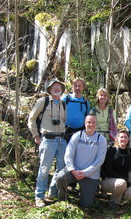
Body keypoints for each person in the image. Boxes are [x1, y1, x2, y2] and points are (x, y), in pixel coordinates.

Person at [28, 78, 67, 207]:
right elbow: (32, 118)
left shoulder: (63, 104)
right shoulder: (43, 102)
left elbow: (64, 121)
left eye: (59, 87)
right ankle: (39, 196)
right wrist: (36, 135)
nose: (56, 89)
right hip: (48, 139)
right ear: (50, 89)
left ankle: (53, 192)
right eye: (54, 87)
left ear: (61, 90)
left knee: (61, 169)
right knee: (44, 169)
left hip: (61, 139)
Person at [55, 115, 107, 208]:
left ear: (96, 124)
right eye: (88, 122)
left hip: (91, 175)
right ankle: (62, 200)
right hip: (74, 171)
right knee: (60, 177)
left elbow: (100, 160)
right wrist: (73, 170)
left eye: (93, 122)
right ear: (84, 123)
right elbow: (68, 155)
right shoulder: (77, 135)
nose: (91, 125)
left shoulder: (101, 139)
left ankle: (85, 193)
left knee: (86, 205)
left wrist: (85, 173)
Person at [101, 130, 131, 208]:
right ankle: (114, 203)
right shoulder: (112, 150)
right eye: (121, 137)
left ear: (128, 139)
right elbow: (109, 170)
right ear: (117, 138)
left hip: (122, 183)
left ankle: (114, 198)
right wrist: (124, 179)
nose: (123, 139)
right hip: (108, 181)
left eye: (125, 137)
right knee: (121, 183)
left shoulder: (129, 152)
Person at [62, 78, 90, 142]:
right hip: (66, 131)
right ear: (72, 87)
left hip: (80, 132)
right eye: (75, 86)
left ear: (83, 87)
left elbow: (87, 117)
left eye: (79, 86)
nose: (77, 88)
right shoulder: (66, 99)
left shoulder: (85, 102)